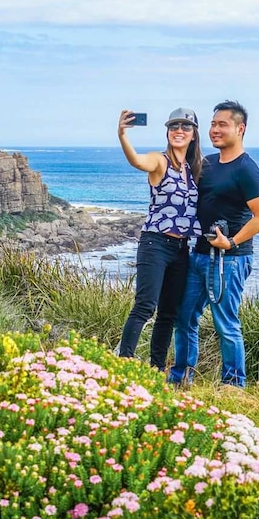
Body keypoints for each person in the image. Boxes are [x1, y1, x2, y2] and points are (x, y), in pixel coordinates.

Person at [167, 100, 259, 388]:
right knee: (184, 317)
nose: (215, 129)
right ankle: (180, 378)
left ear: (241, 129)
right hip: (198, 255)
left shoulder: (247, 169)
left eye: (222, 124)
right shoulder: (207, 163)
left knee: (225, 324)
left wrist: (233, 242)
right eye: (213, 124)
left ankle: (233, 385)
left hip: (230, 259)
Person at [115, 107, 203, 370]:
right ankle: (125, 364)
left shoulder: (194, 168)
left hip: (181, 250)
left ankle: (156, 370)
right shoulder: (159, 160)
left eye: (185, 127)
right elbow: (137, 161)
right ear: (167, 132)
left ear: (193, 135)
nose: (179, 130)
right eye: (173, 126)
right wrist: (122, 135)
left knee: (168, 314)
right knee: (145, 306)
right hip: (155, 244)